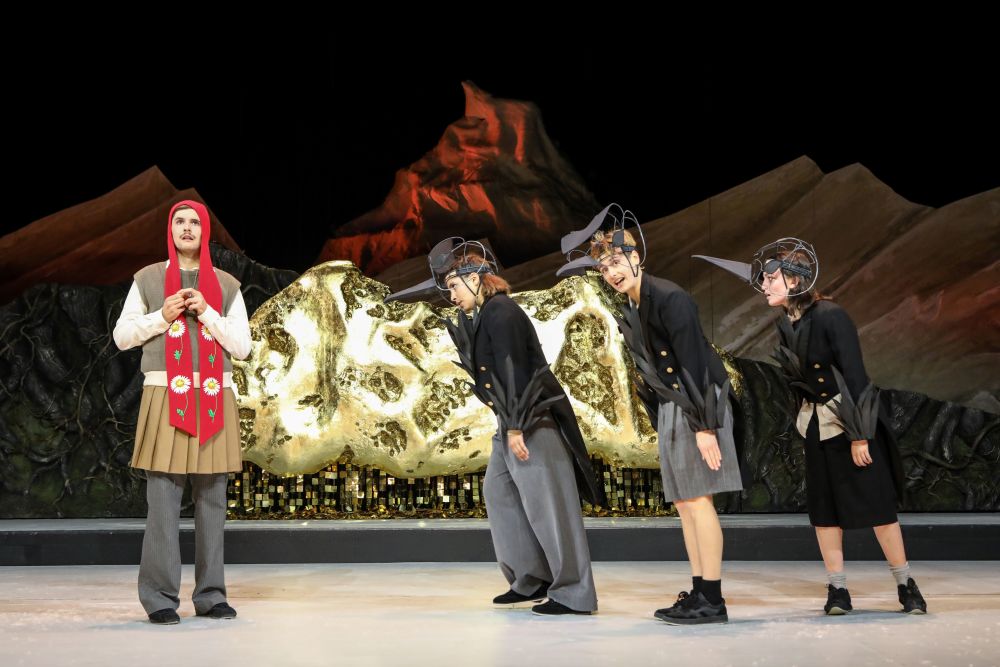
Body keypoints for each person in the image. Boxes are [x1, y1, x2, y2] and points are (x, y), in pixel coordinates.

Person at [696, 238, 927, 615]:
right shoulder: (789, 322)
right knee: (824, 511)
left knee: (877, 507)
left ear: (795, 280)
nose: (764, 286)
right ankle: (838, 590)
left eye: (771, 278)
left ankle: (906, 585)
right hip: (817, 427)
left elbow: (856, 375)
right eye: (764, 279)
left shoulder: (830, 315)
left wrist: (861, 435)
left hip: (851, 424)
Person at [387, 238, 601, 616]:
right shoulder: (487, 314)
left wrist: (517, 426)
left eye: (454, 285)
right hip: (512, 419)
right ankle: (531, 576)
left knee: (549, 505)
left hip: (533, 419)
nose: (451, 295)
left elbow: (515, 369)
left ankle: (574, 592)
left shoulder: (502, 312)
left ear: (476, 278)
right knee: (500, 493)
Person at [113, 200, 251, 624]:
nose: (187, 228)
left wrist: (207, 312)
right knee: (163, 501)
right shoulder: (149, 279)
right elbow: (122, 336)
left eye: (195, 222)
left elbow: (243, 348)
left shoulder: (226, 285)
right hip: (165, 397)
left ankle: (211, 594)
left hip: (213, 396)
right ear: (170, 230)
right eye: (179, 221)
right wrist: (162, 316)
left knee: (212, 501)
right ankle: (158, 597)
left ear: (205, 231)